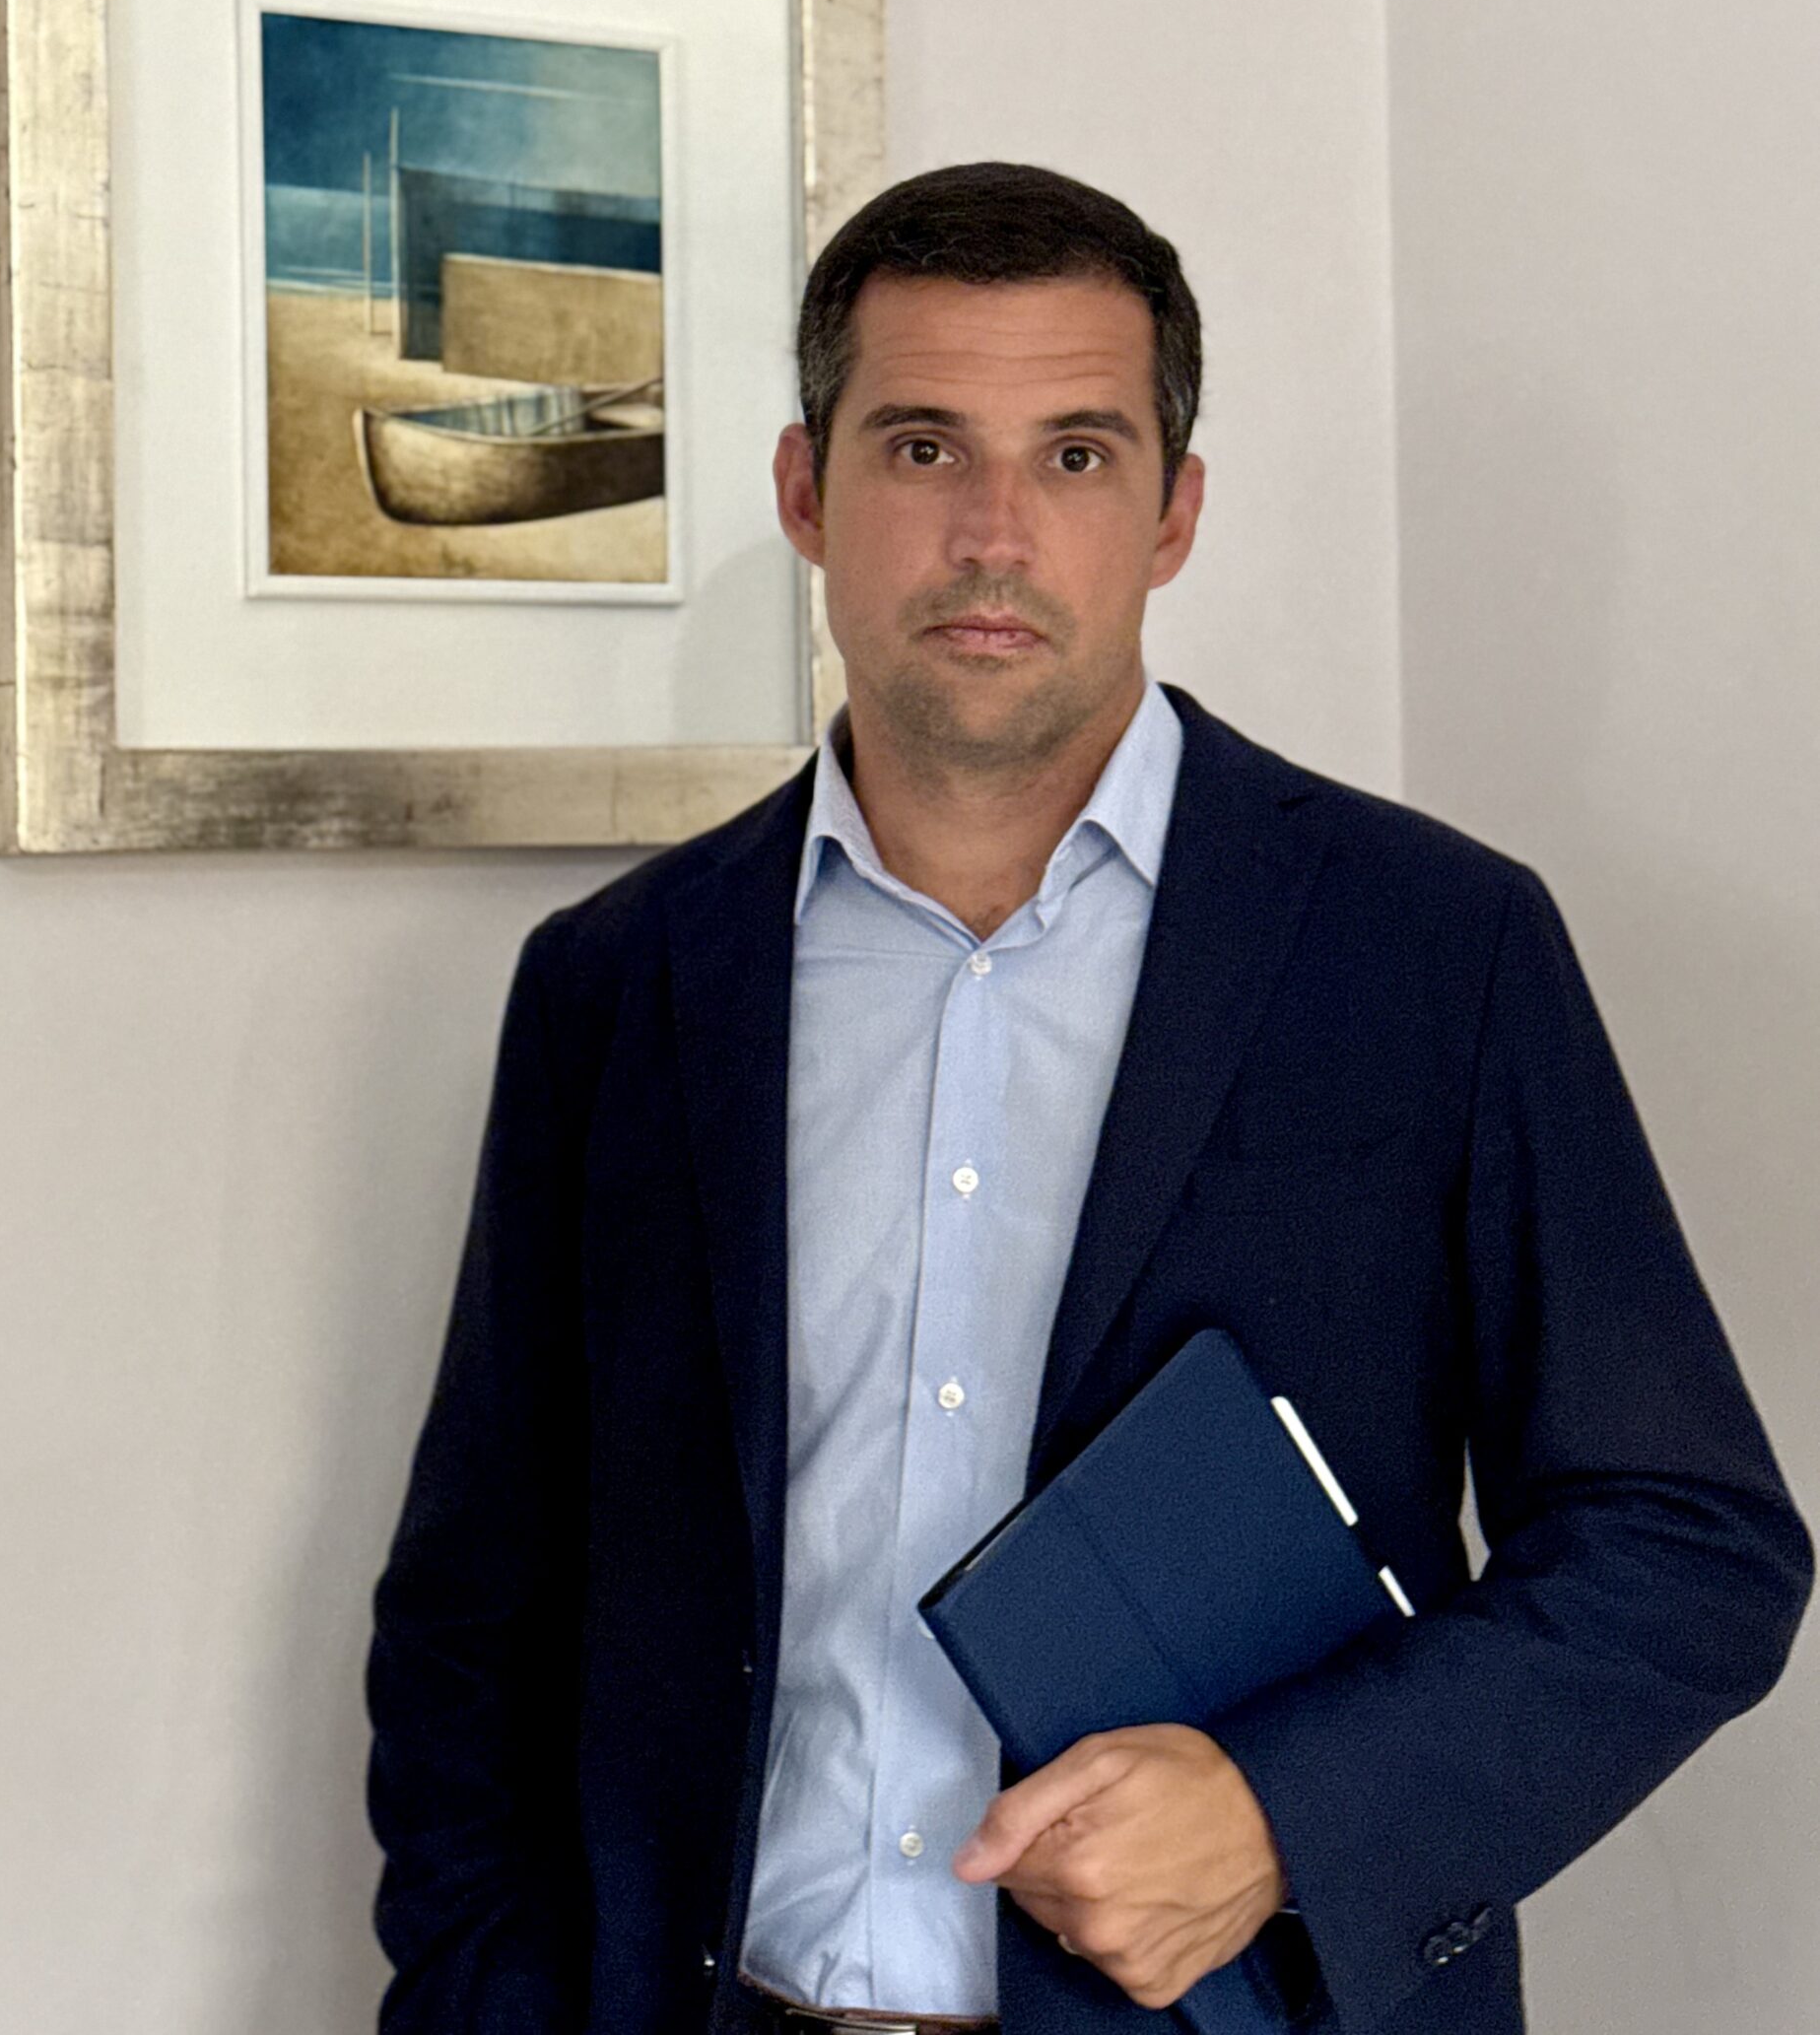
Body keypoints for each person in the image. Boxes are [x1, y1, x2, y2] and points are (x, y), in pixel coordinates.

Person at [365, 162, 1811, 2035]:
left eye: (1072, 456)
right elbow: (477, 1606)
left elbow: (1683, 1547)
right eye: (919, 450)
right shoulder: (617, 981)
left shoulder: (1432, 949)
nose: (992, 533)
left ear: (1173, 511)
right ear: (805, 493)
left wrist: (1284, 1816)